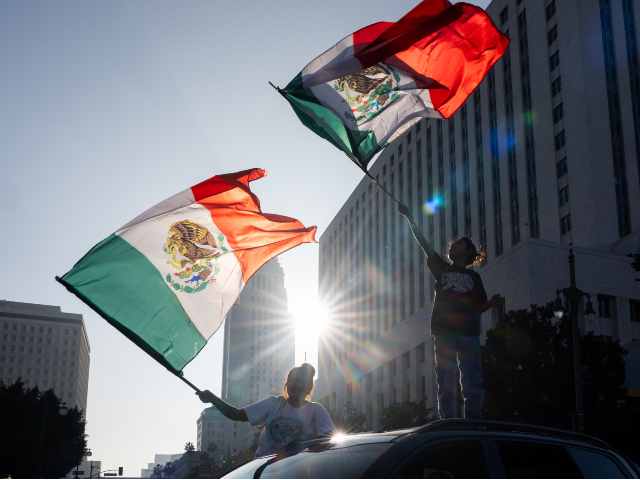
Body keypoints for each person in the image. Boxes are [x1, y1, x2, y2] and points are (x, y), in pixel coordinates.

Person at [398, 203, 502, 420]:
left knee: (472, 378)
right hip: (444, 332)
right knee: (445, 378)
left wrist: (490, 303)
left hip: (468, 333)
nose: (452, 246)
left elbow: (478, 306)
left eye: (458, 245)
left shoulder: (474, 277)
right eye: (452, 245)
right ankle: (449, 420)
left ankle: (474, 419)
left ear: (468, 252)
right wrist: (410, 218)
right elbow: (424, 244)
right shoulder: (442, 268)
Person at [196, 363, 335, 457]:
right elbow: (236, 415)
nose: (293, 384)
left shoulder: (316, 410)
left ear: (308, 386)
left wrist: (305, 449)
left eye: (299, 380)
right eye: (291, 380)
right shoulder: (273, 403)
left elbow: (329, 439)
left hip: (293, 472)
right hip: (262, 469)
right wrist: (212, 398)